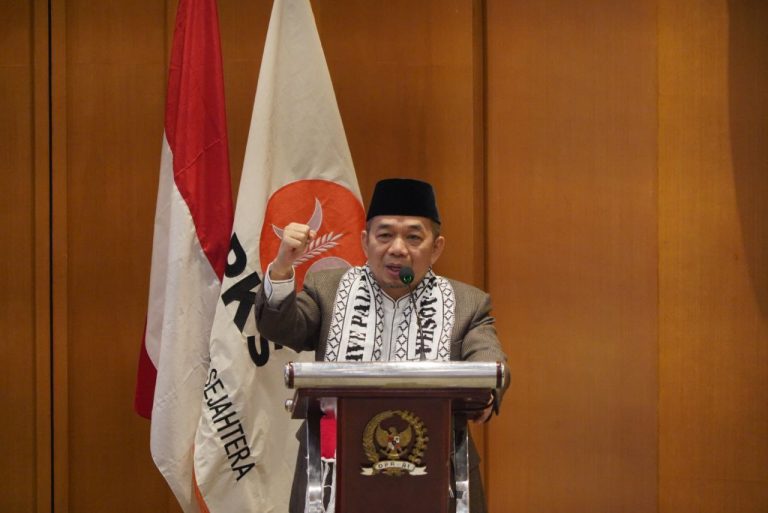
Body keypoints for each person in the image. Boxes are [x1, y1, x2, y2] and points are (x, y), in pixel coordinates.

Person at [254, 178, 507, 513]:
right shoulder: (328, 289)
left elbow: (489, 359)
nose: (397, 248)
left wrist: (487, 390)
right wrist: (283, 266)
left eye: (413, 237)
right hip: (332, 469)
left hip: (438, 470)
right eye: (385, 235)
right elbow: (280, 328)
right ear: (365, 241)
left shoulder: (466, 303)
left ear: (436, 248)